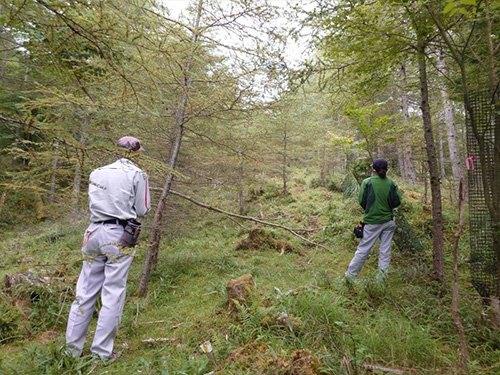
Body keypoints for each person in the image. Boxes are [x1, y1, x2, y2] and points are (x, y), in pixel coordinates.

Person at [66, 136, 151, 360]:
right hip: (119, 235)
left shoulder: (97, 172)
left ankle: (71, 352)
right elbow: (142, 209)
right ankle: (102, 353)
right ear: (135, 153)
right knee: (113, 292)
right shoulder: (137, 174)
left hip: (93, 232)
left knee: (83, 293)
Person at [345, 158, 401, 282]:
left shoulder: (367, 182)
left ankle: (350, 276)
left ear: (373, 169)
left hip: (372, 222)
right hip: (388, 222)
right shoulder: (392, 183)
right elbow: (397, 201)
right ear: (387, 169)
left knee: (364, 249)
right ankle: (381, 279)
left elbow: (362, 201)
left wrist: (370, 210)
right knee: (385, 250)